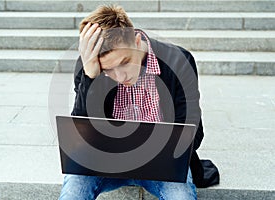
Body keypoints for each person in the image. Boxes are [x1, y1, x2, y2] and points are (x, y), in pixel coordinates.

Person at [59, 5, 219, 200]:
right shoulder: (90, 66)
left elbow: (194, 132)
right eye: (109, 70)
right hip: (105, 167)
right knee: (72, 192)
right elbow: (81, 136)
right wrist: (91, 76)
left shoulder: (179, 60)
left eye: (125, 61)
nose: (119, 76)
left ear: (136, 40)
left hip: (164, 168)